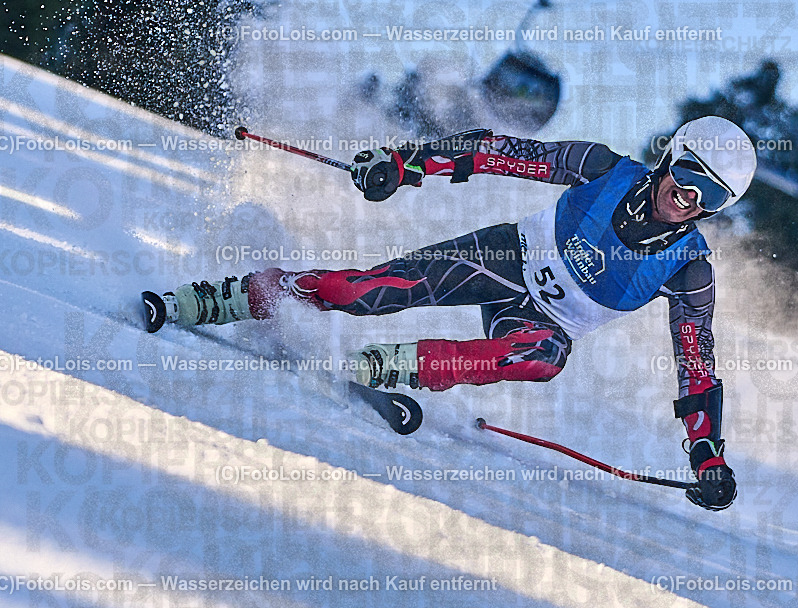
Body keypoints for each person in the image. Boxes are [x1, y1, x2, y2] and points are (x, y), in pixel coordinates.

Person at [145, 116, 756, 511]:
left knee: (545, 358)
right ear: (670, 158)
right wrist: (404, 164)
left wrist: (708, 456)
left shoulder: (687, 269)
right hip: (502, 259)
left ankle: (386, 367)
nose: (688, 198)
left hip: (543, 325)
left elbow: (696, 368)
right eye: (688, 177)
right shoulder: (605, 169)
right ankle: (236, 296)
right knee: (364, 293)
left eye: (710, 198)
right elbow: (496, 152)